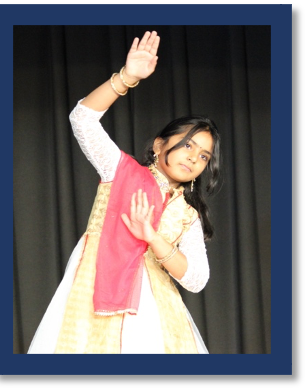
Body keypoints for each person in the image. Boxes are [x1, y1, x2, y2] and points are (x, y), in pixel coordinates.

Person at [27, 30, 222, 354]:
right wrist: (126, 78)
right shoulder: (119, 171)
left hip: (157, 317)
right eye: (188, 144)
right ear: (160, 144)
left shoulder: (188, 214)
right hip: (92, 301)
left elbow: (197, 279)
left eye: (203, 155)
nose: (193, 157)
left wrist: (153, 238)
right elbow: (83, 120)